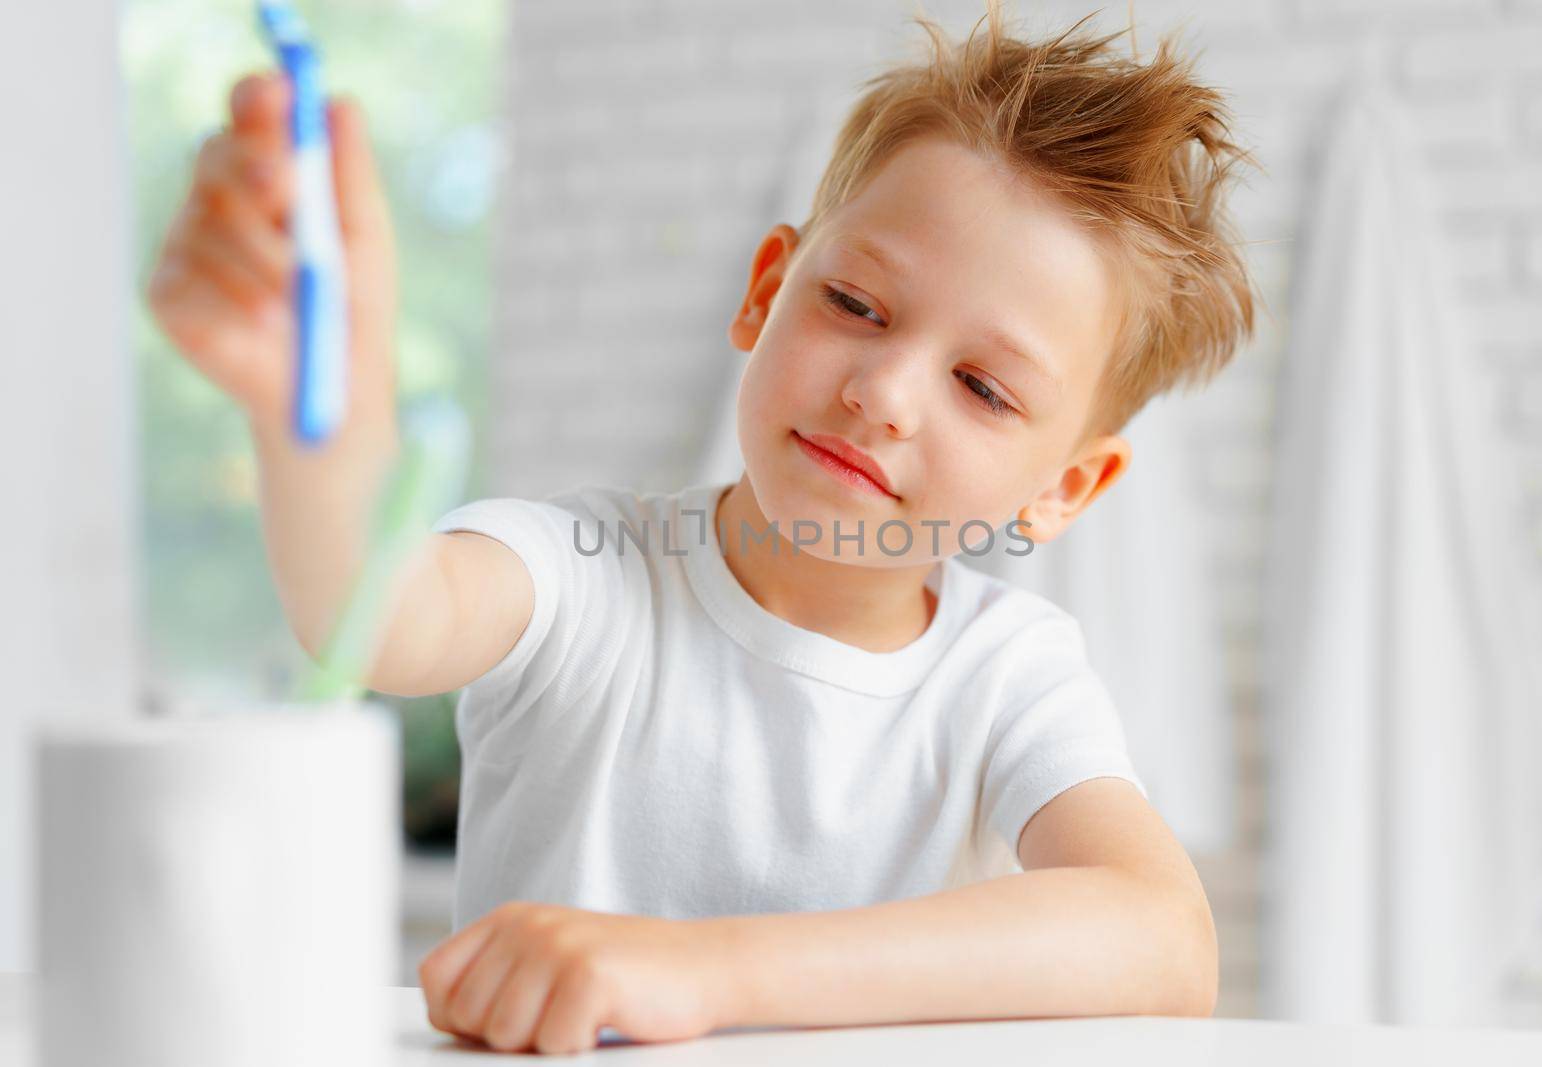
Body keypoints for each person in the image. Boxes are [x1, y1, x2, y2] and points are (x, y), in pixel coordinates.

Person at [147, 0, 1258, 1054]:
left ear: (1062, 488)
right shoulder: (585, 578)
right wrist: (323, 429)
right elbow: (375, 617)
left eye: (982, 386)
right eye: (855, 306)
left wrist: (706, 971)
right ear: (767, 286)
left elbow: (1164, 941)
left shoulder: (1008, 672)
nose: (882, 391)